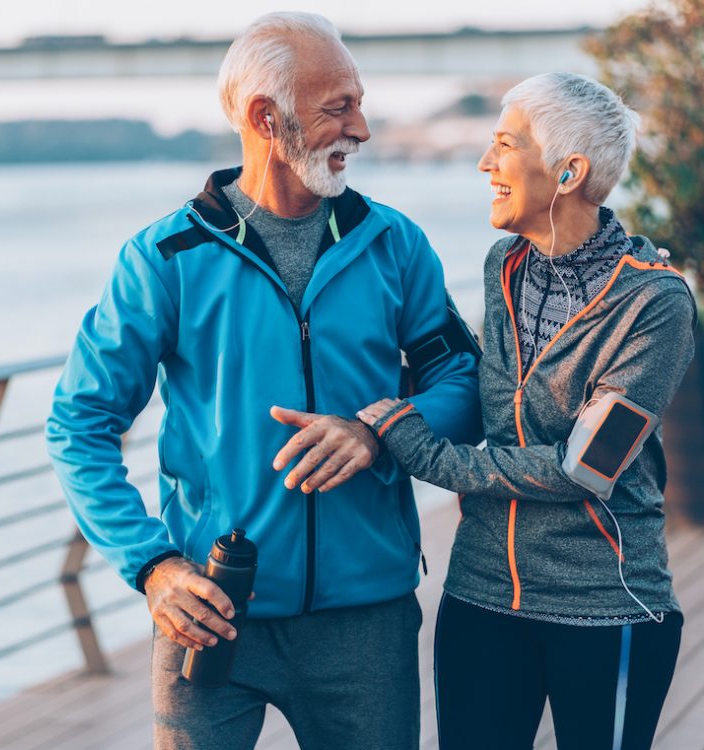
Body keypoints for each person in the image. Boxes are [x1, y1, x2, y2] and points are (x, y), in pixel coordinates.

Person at [45, 12, 481, 750]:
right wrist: (152, 566)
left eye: (359, 102)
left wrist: (378, 432)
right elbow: (78, 425)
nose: (363, 129)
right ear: (264, 117)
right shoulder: (165, 258)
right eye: (338, 108)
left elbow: (463, 380)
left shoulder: (393, 243)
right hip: (212, 615)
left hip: (365, 620)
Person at [277, 73, 697, 750]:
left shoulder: (656, 305)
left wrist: (419, 449)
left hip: (606, 606)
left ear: (569, 171)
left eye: (504, 145)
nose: (485, 164)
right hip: (481, 598)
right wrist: (367, 409)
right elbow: (488, 396)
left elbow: (587, 467)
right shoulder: (505, 265)